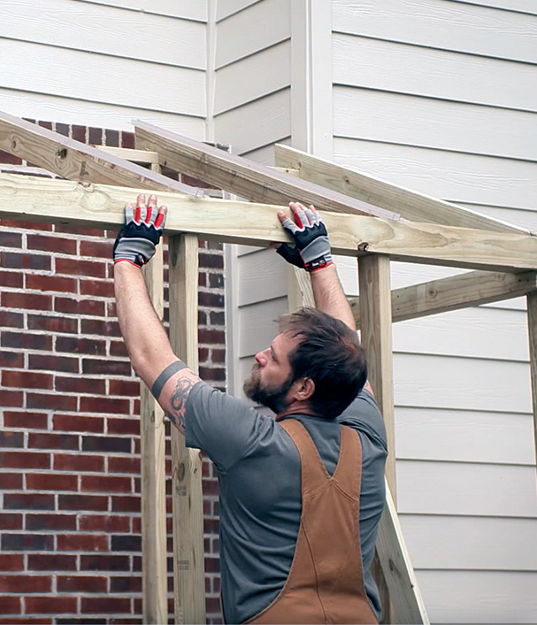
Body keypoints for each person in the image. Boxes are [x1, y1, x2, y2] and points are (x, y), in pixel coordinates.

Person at [112, 194, 386, 624]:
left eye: (273, 358)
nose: (260, 356)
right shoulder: (367, 439)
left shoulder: (252, 441)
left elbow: (152, 358)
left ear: (303, 387)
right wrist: (319, 260)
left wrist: (128, 260)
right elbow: (348, 349)